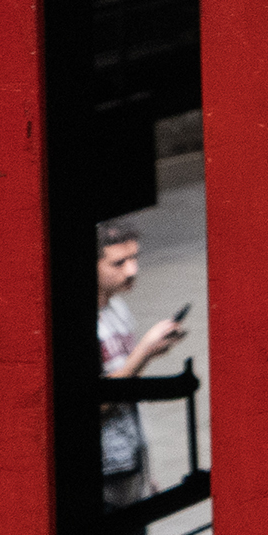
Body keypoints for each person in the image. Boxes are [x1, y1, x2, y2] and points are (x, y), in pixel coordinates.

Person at [92, 219, 186, 516]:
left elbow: (125, 387)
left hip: (131, 465)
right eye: (118, 263)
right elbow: (97, 403)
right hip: (103, 476)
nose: (133, 270)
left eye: (134, 258)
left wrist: (145, 472)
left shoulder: (117, 308)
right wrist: (144, 352)